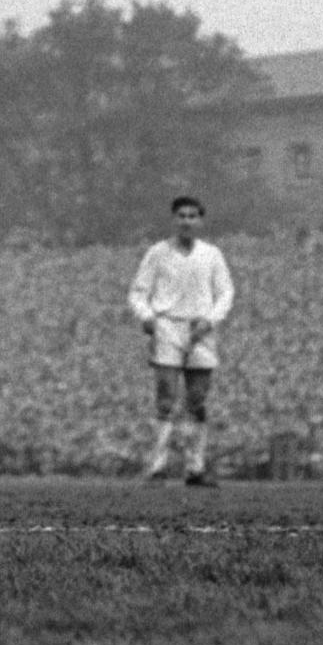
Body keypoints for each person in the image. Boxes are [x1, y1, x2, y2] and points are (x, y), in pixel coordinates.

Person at [127, 195, 235, 487]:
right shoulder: (157, 253)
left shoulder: (211, 255)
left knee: (197, 401)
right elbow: (138, 291)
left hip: (201, 329)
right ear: (174, 219)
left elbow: (225, 292)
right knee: (165, 398)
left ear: (199, 221)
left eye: (192, 216)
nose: (186, 221)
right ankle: (157, 467)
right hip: (168, 327)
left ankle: (195, 468)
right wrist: (146, 316)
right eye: (182, 216)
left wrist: (210, 320)